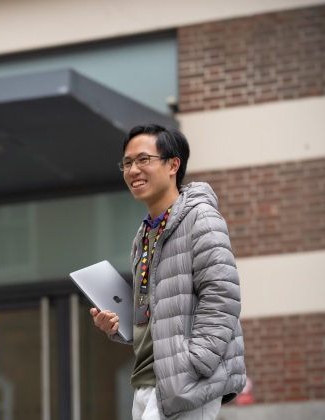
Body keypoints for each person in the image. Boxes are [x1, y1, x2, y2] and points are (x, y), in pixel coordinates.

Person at [90, 124, 245, 419]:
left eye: (143, 159)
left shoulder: (201, 218)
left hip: (184, 382)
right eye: (127, 163)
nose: (133, 170)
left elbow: (222, 297)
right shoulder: (144, 233)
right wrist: (118, 326)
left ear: (174, 164)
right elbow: (153, 315)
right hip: (147, 380)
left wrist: (196, 364)